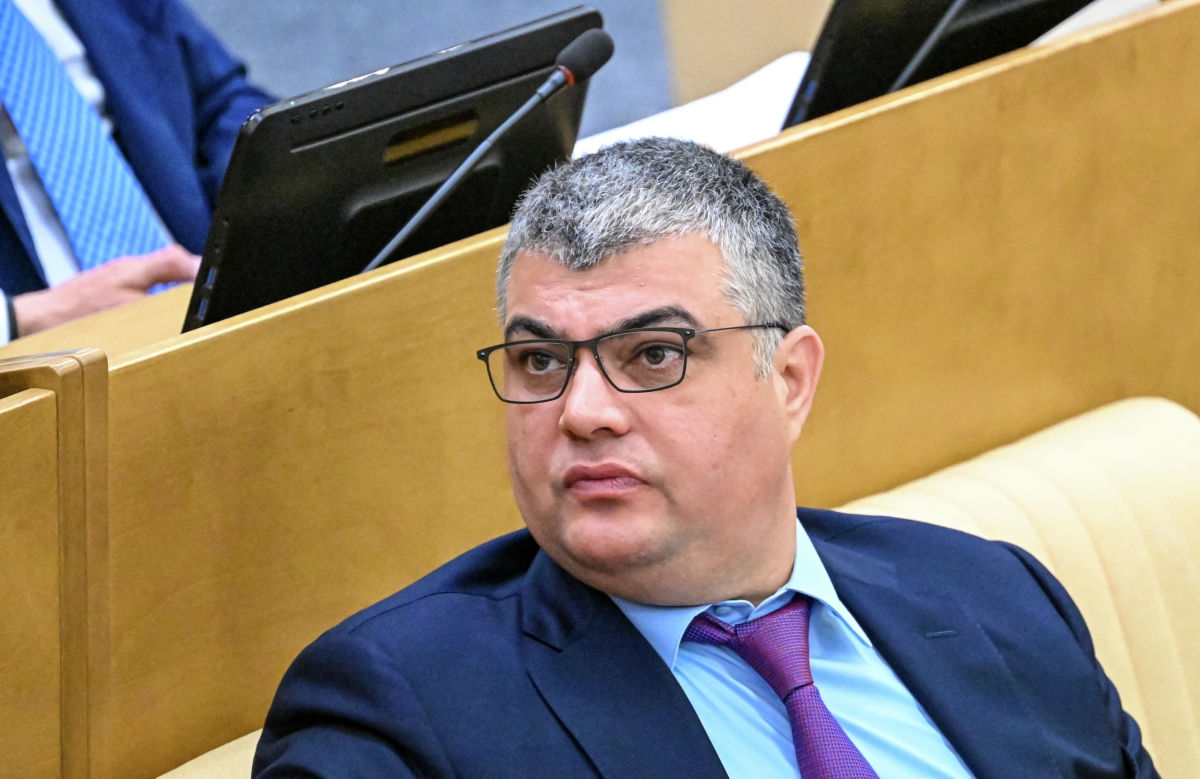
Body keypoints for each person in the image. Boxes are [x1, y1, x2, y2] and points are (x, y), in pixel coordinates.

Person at [252, 138, 1156, 778]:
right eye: (541, 361)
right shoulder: (397, 709)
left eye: (653, 354)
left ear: (789, 379)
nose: (583, 412)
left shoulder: (996, 594)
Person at [0, 0, 273, 342]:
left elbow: (219, 101)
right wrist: (18, 319)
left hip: (206, 284)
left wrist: (252, 222)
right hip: (37, 352)